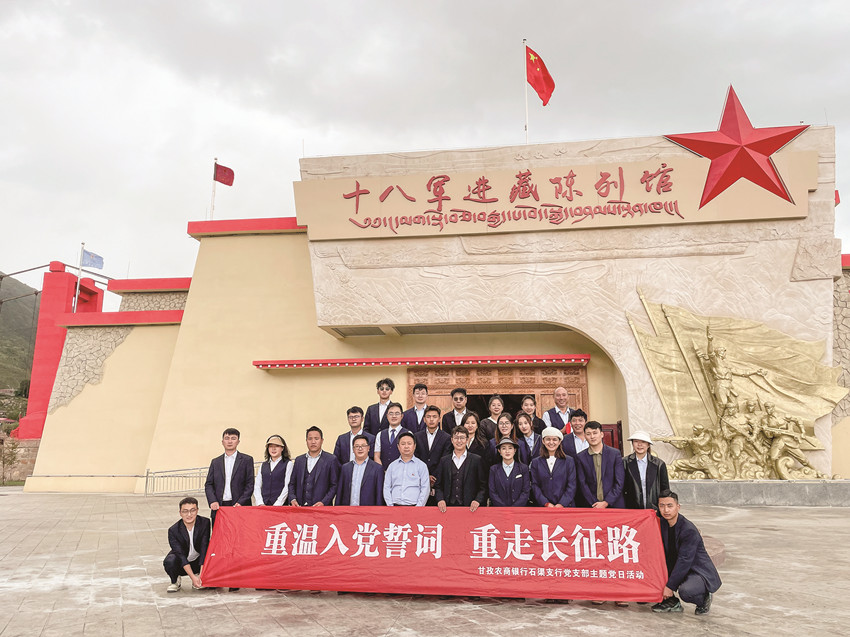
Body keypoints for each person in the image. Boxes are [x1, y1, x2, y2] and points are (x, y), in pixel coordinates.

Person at [653, 490, 721, 615]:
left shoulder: (688, 530)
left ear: (678, 507)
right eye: (662, 506)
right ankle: (672, 602)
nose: (666, 510)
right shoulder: (662, 523)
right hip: (675, 567)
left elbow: (684, 560)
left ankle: (704, 599)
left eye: (670, 506)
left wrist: (670, 587)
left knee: (686, 591)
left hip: (696, 570)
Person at [204, 427, 254, 526]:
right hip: (219, 507)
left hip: (239, 506)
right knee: (220, 534)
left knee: (240, 533)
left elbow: (250, 484)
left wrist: (241, 502)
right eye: (227, 438)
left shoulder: (247, 460)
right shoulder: (215, 462)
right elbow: (209, 484)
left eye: (233, 438)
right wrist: (212, 501)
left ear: (238, 441)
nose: (230, 441)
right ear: (222, 442)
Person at [435, 426, 487, 512]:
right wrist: (440, 499)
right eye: (456, 438)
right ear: (452, 440)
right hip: (447, 508)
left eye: (462, 438)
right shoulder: (444, 461)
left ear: (467, 440)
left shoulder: (476, 460)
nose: (459, 441)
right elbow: (438, 485)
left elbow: (483, 486)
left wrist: (477, 500)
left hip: (470, 509)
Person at [164, 497, 210, 593]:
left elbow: (204, 547)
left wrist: (201, 575)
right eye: (185, 511)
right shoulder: (173, 530)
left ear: (197, 510)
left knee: (214, 554)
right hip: (182, 564)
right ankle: (175, 580)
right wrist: (192, 577)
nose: (189, 514)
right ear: (180, 513)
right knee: (170, 561)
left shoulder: (205, 523)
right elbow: (180, 555)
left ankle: (199, 575)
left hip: (197, 562)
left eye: (192, 510)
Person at [575, 420, 625, 509]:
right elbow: (582, 483)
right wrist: (594, 503)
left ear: (602, 434)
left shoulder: (615, 454)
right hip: (591, 506)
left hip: (614, 505)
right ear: (585, 436)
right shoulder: (580, 457)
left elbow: (619, 482)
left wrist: (606, 502)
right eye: (588, 434)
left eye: (595, 433)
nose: (592, 437)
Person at [288, 426, 341, 507]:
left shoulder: (331, 459)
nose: (313, 442)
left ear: (322, 440)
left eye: (316, 439)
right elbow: (292, 483)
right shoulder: (299, 460)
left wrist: (324, 502)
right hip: (300, 507)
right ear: (306, 441)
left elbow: (334, 485)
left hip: (322, 509)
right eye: (310, 439)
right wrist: (292, 499)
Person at [529, 427, 577, 508]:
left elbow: (572, 485)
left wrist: (562, 504)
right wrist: (546, 503)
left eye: (554, 439)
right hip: (543, 508)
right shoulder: (536, 462)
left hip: (565, 507)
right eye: (548, 439)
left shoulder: (569, 461)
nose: (551, 442)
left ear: (559, 442)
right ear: (543, 441)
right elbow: (535, 485)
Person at [414, 405, 452, 505]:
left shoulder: (446, 438)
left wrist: (434, 476)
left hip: (439, 481)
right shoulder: (417, 436)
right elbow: (415, 458)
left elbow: (445, 459)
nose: (431, 419)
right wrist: (426, 475)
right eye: (428, 417)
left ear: (439, 419)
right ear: (424, 419)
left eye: (434, 417)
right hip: (419, 480)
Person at [623, 430, 669, 511]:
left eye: (643, 442)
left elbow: (665, 489)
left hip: (654, 509)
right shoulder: (624, 462)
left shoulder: (659, 464)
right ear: (632, 443)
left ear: (648, 445)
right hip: (632, 509)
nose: (639, 445)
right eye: (636, 441)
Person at [383, 431, 430, 506]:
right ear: (398, 447)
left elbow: (425, 489)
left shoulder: (421, 466)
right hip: (394, 506)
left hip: (414, 507)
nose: (406, 446)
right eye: (403, 444)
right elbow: (386, 487)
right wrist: (390, 506)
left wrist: (418, 507)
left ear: (414, 446)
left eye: (409, 443)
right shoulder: (392, 466)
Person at [336, 434, 385, 505]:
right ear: (353, 449)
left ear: (368, 448)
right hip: (348, 509)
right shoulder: (345, 468)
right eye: (357, 446)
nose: (360, 448)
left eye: (363, 446)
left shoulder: (377, 468)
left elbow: (379, 495)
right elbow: (340, 493)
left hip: (368, 510)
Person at [488, 438, 530, 507]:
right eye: (503, 448)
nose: (507, 451)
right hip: (499, 510)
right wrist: (503, 508)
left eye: (510, 448)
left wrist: (514, 508)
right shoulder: (493, 469)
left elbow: (525, 491)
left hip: (519, 509)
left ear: (515, 450)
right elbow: (492, 492)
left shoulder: (523, 469)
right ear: (499, 451)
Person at [253, 435, 294, 506]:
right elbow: (257, 485)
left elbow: (287, 486)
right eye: (271, 446)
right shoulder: (263, 465)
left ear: (282, 448)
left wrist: (278, 503)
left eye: (277, 446)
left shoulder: (288, 464)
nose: (273, 449)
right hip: (264, 505)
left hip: (281, 506)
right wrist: (260, 502)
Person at [374, 402, 411, 468]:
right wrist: (382, 471)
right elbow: (376, 456)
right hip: (383, 472)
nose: (394, 416)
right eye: (391, 413)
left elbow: (410, 456)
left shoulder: (408, 434)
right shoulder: (380, 434)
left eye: (397, 413)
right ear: (387, 416)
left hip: (402, 471)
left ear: (402, 416)